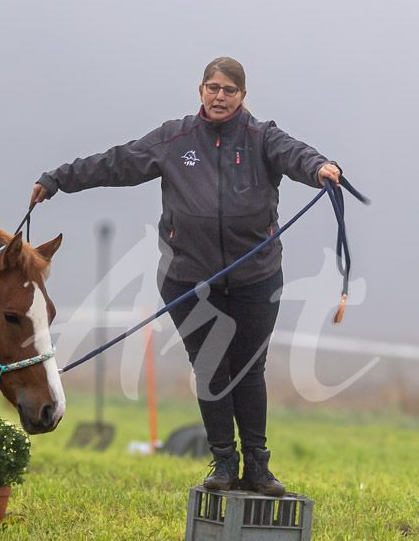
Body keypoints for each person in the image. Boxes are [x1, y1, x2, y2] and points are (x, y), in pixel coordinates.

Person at [30, 57, 341, 496]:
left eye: (229, 90)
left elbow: (296, 154)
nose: (219, 96)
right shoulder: (174, 139)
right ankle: (224, 462)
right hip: (188, 281)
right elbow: (117, 162)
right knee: (212, 367)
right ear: (201, 91)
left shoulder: (262, 137)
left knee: (249, 368)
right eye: (213, 87)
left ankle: (258, 466)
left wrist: (320, 167)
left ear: (242, 96)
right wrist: (57, 179)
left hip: (256, 278)